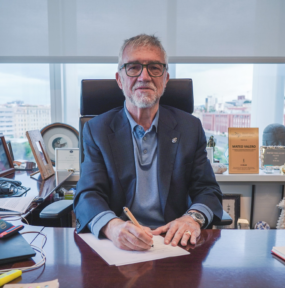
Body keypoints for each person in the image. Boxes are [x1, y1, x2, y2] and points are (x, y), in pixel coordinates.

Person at [74, 34, 223, 251]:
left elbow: (208, 190)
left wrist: (192, 219)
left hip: (174, 242)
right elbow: (87, 193)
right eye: (133, 67)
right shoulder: (97, 129)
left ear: (165, 79)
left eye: (154, 67)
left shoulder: (189, 128)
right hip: (118, 244)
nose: (144, 76)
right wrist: (112, 226)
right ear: (119, 79)